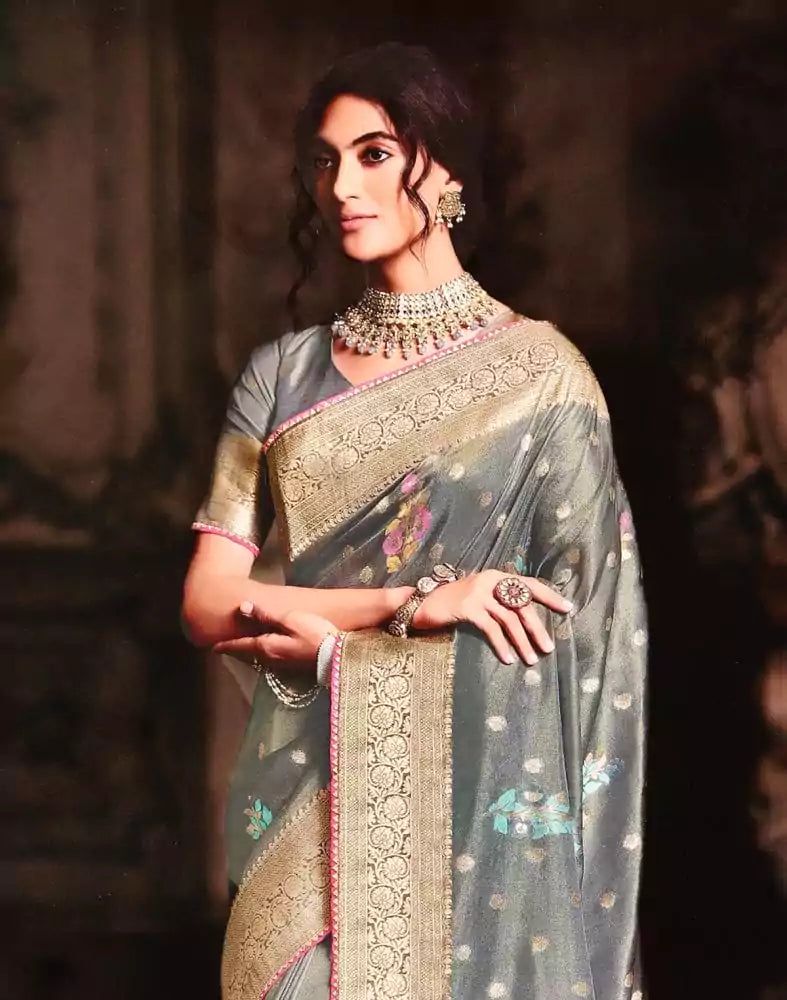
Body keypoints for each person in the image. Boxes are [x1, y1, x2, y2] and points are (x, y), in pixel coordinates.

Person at [182, 42, 646, 1000]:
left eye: (374, 154)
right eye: (325, 160)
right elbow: (209, 604)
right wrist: (412, 606)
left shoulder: (542, 383)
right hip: (304, 816)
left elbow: (578, 643)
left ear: (445, 172)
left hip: (474, 834)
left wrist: (327, 643)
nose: (340, 186)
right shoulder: (280, 378)